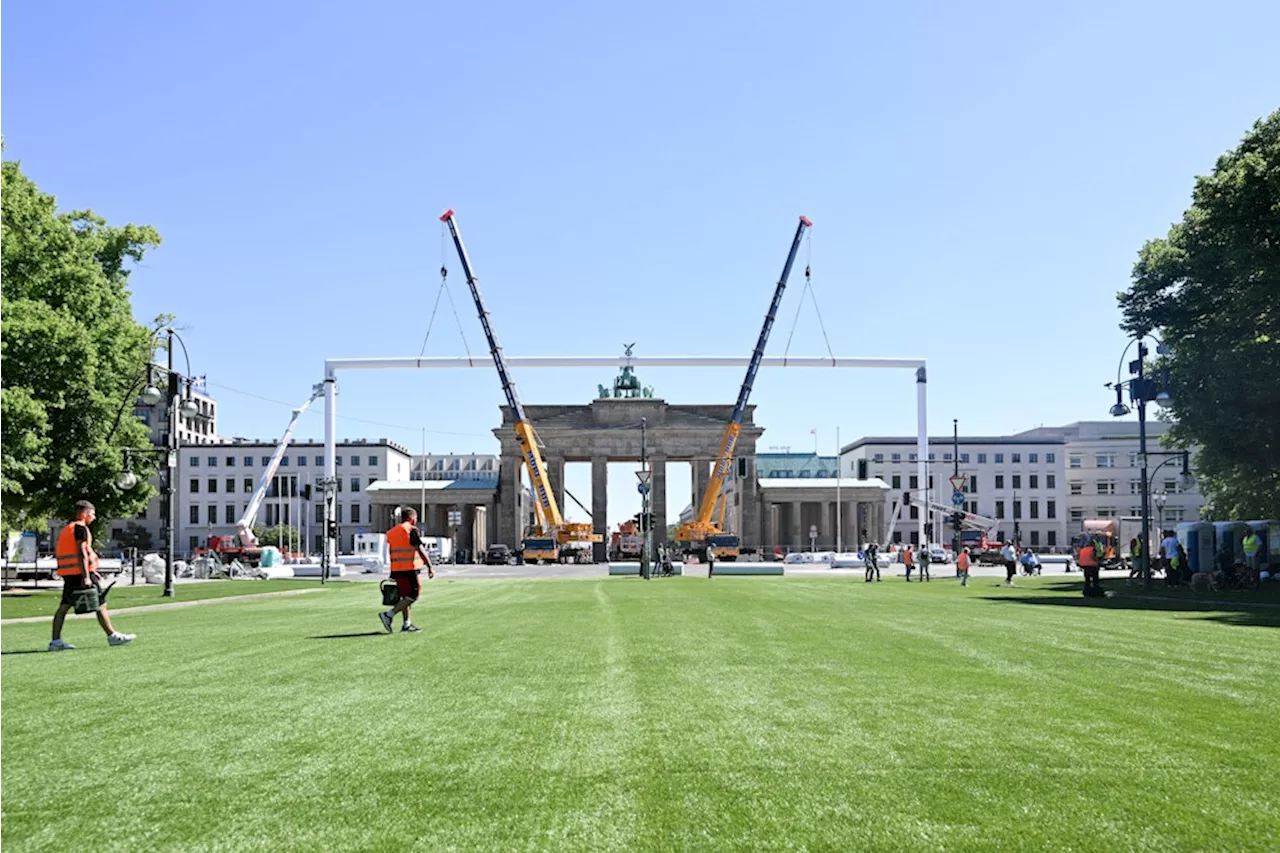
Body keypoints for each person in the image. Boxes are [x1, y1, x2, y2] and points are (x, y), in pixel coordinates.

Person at [49, 500, 134, 651]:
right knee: (100, 603)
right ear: (85, 514)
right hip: (79, 574)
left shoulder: (68, 528)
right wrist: (86, 575)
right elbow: (81, 552)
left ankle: (55, 641)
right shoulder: (80, 528)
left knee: (63, 607)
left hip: (70, 574)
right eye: (92, 514)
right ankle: (112, 636)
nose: (94, 518)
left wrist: (92, 570)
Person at [379, 507, 434, 633]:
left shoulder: (392, 532)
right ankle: (389, 615)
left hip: (396, 569)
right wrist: (430, 566)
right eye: (416, 518)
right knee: (414, 595)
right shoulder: (411, 530)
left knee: (405, 597)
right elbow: (420, 549)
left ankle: (406, 624)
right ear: (411, 518)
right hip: (409, 568)